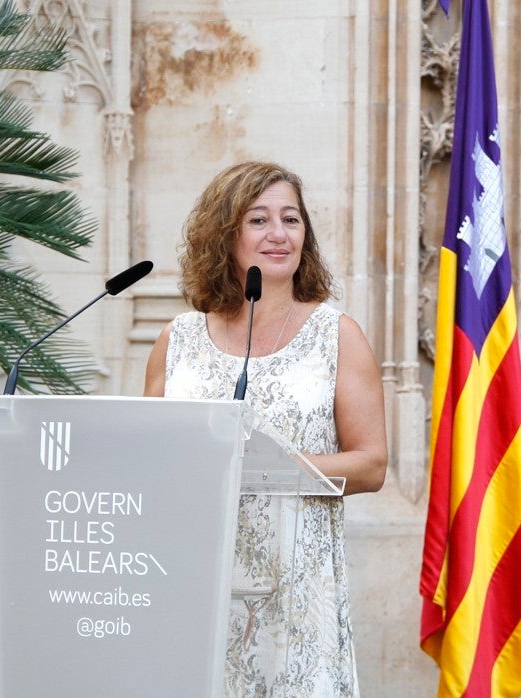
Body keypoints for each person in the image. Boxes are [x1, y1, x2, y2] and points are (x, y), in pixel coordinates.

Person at [144, 161, 386, 696]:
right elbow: (151, 459)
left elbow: (371, 464)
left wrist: (271, 467)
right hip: (195, 582)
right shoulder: (177, 339)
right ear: (224, 236)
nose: (279, 234)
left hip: (297, 591)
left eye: (291, 219)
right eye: (259, 220)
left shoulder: (337, 335)